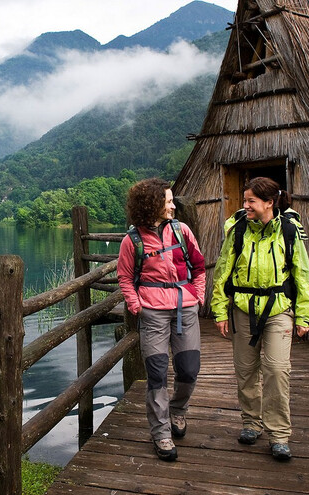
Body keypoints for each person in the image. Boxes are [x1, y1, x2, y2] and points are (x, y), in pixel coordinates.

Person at [211, 176, 309, 461]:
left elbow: (302, 275)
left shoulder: (289, 231)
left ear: (269, 203)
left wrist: (304, 314)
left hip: (278, 309)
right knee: (246, 371)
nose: (245, 206)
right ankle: (251, 423)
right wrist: (220, 310)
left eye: (251, 202)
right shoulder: (239, 230)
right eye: (245, 201)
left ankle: (279, 435)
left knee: (277, 371)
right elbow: (222, 272)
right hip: (243, 309)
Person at [117, 178, 206, 462]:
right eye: (168, 200)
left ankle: (178, 411)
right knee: (156, 375)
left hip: (185, 308)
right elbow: (124, 276)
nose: (172, 205)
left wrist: (199, 295)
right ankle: (161, 433)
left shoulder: (182, 231)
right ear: (152, 204)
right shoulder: (132, 241)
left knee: (189, 370)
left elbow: (199, 265)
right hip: (152, 313)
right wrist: (135, 304)